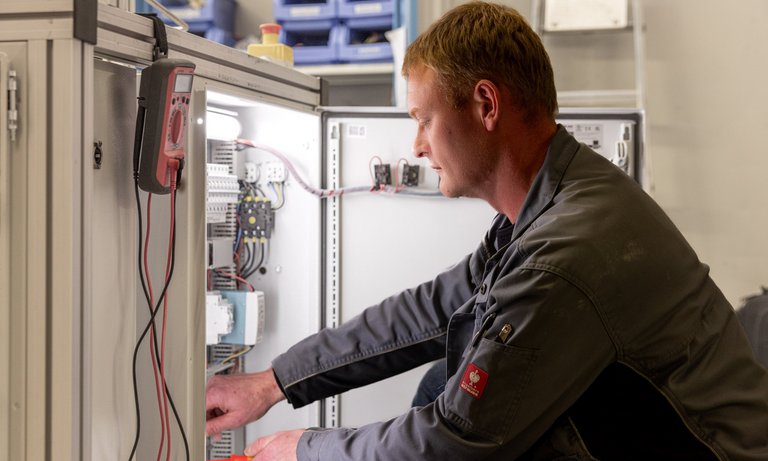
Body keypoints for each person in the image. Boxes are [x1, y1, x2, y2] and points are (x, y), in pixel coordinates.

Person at [205, 2, 768, 459]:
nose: (418, 147)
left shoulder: (565, 254)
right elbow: (430, 311)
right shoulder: (555, 200)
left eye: (424, 120)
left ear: (485, 104)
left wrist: (303, 450)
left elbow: (453, 441)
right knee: (441, 379)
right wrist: (272, 383)